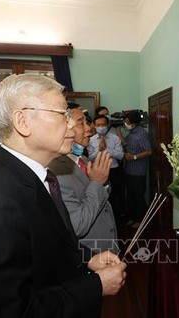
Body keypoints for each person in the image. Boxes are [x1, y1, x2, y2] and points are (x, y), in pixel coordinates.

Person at [0, 74, 126, 317]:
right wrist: (95, 286)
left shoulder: (39, 177)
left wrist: (87, 261)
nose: (72, 124)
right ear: (22, 121)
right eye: (62, 114)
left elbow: (45, 248)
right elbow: (6, 311)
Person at [49, 103, 118, 253]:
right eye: (81, 123)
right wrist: (97, 183)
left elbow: (103, 195)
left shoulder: (84, 160)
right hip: (88, 255)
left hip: (107, 245)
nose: (89, 128)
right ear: (65, 128)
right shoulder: (55, 171)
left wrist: (104, 183)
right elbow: (78, 226)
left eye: (87, 122)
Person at [87, 114, 125, 219]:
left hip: (113, 170)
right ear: (94, 125)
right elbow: (90, 158)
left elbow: (121, 155)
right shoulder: (91, 140)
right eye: (98, 125)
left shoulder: (115, 138)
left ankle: (116, 218)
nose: (101, 127)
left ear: (108, 125)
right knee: (100, 195)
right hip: (97, 171)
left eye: (103, 125)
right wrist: (99, 150)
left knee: (115, 196)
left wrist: (107, 150)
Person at [122, 111, 152, 229]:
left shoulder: (141, 134)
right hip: (128, 170)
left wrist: (134, 157)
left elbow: (149, 151)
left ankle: (140, 220)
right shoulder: (130, 133)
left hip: (138, 171)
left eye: (126, 121)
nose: (125, 123)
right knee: (131, 196)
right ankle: (132, 218)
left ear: (132, 122)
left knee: (139, 196)